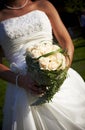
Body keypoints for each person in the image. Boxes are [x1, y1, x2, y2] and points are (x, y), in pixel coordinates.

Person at [0, 0, 85, 130]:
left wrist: (59, 72)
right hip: (24, 84)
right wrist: (22, 81)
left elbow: (67, 43)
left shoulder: (44, 5)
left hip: (57, 72)